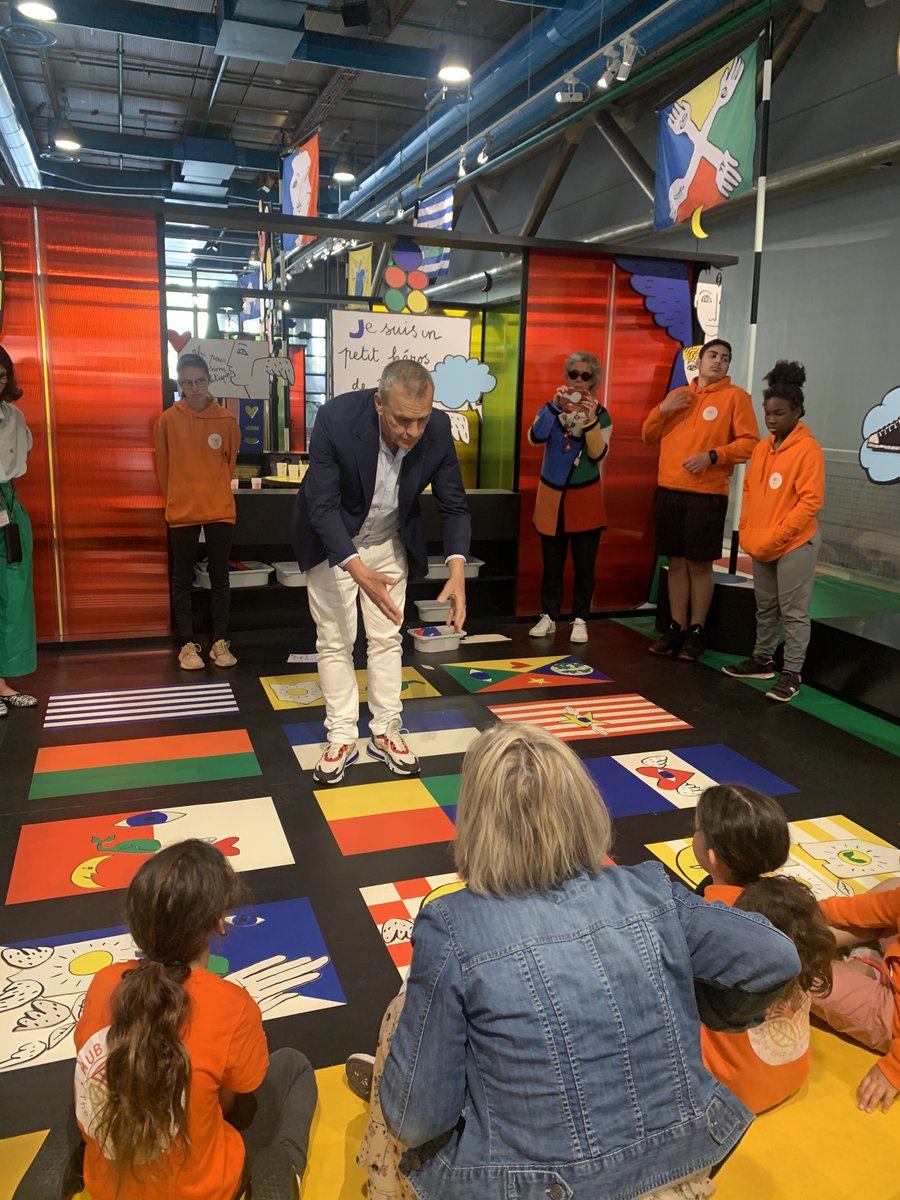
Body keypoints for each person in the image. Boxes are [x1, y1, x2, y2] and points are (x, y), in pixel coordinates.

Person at [362, 723, 800, 1200]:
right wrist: (680, 998)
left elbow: (419, 1119)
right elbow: (773, 957)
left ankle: (379, 1187)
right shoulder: (648, 888)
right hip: (680, 1168)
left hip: (532, 1188)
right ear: (583, 807)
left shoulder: (452, 923)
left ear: (477, 822)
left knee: (401, 1014)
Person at [73, 839, 317, 1200]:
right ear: (218, 922)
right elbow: (231, 1104)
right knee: (294, 1065)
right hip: (201, 1190)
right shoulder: (231, 1005)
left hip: (108, 1185)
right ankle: (284, 1168)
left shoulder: (104, 982)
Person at [292, 359, 471, 786]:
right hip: (333, 540)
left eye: (420, 421)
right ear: (378, 403)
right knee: (335, 640)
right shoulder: (336, 417)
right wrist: (355, 568)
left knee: (387, 637)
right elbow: (321, 506)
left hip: (390, 540)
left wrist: (458, 569)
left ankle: (387, 730)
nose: (412, 432)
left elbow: (454, 504)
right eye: (402, 420)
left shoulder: (438, 429)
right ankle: (340, 735)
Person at [692, 784, 833, 1113]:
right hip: (791, 1073)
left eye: (696, 829)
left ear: (711, 855)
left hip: (732, 1094)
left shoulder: (711, 921)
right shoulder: (797, 903)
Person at [642, 338, 758, 662]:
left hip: (706, 495)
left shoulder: (736, 398)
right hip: (669, 490)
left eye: (725, 357)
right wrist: (661, 410)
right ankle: (676, 626)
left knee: (699, 564)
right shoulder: (678, 396)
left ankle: (696, 630)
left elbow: (750, 443)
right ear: (700, 361)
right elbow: (647, 435)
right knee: (676, 562)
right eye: (713, 355)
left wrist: (713, 456)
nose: (718, 361)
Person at [722, 361, 825, 703]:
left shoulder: (808, 449)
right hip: (763, 542)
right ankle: (762, 659)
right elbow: (750, 491)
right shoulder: (763, 449)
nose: (771, 419)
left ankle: (792, 673)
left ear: (797, 410)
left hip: (794, 543)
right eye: (767, 413)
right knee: (765, 607)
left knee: (793, 611)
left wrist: (779, 535)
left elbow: (810, 502)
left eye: (779, 413)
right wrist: (749, 529)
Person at [154, 354, 240, 671]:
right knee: (182, 581)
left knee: (220, 579)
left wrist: (211, 488)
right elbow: (163, 469)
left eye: (199, 381)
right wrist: (179, 496)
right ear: (180, 384)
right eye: (187, 383)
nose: (194, 388)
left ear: (208, 381)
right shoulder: (166, 421)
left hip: (219, 509)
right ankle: (187, 645)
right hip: (182, 510)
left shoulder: (227, 421)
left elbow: (227, 464)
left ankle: (220, 641)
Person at [527, 351, 612, 645]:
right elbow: (535, 437)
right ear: (565, 377)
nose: (578, 380)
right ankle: (548, 616)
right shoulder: (551, 408)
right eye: (572, 374)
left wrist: (589, 421)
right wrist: (553, 407)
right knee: (551, 563)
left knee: (584, 565)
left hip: (585, 498)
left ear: (593, 381)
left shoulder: (602, 415)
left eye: (585, 376)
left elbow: (597, 453)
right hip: (551, 497)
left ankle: (580, 619)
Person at [814, 878, 900, 1115]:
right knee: (891, 888)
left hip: (893, 1018)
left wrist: (894, 1069)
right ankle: (867, 964)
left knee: (802, 978)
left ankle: (803, 953)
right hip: (893, 970)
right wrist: (813, 912)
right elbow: (876, 905)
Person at [0, 346, 38, 717]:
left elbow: (21, 456)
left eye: (1, 377)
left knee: (14, 595)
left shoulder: (14, 416)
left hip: (9, 508)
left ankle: (3, 682)